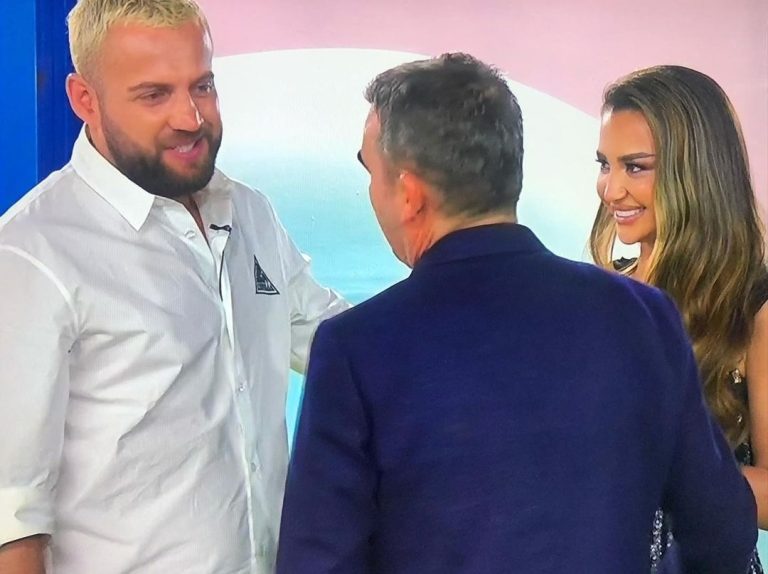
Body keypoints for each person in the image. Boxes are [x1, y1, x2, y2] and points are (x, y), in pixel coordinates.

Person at [274, 53, 757, 574]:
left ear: (409, 194)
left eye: (372, 173)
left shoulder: (354, 350)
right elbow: (723, 534)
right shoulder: (643, 316)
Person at [0, 1, 349, 572]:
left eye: (202, 86)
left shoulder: (250, 212)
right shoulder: (31, 255)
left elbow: (339, 342)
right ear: (85, 100)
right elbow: (12, 518)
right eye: (154, 95)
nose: (190, 118)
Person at [589, 64, 768, 573]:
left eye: (635, 167)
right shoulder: (600, 295)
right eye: (604, 164)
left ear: (696, 173)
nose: (611, 190)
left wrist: (675, 469)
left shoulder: (754, 308)